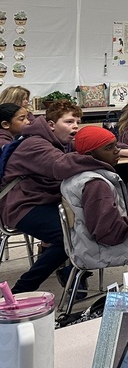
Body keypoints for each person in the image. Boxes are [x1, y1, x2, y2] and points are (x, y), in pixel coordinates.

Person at [0, 101, 99, 292]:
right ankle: (21, 290)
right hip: (21, 206)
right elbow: (61, 166)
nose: (75, 126)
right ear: (51, 124)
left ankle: (70, 270)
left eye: (78, 121)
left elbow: (83, 150)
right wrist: (101, 160)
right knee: (67, 237)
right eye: (69, 121)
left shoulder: (55, 141)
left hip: (40, 200)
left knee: (82, 223)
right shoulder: (35, 143)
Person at [62, 126, 128, 278]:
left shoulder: (76, 173)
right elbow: (109, 233)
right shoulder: (97, 185)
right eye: (109, 148)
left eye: (116, 145)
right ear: (90, 154)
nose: (116, 151)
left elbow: (100, 213)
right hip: (103, 247)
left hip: (84, 243)